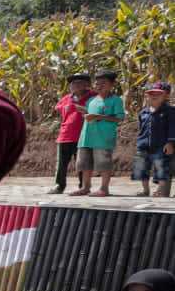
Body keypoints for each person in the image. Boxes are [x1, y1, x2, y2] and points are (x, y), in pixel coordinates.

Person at [73, 69, 125, 198]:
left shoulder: (116, 100)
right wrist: (84, 111)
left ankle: (104, 188)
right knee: (85, 163)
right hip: (86, 137)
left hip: (103, 138)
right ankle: (85, 187)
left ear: (112, 84)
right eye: (97, 83)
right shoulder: (91, 100)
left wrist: (97, 116)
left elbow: (119, 118)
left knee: (103, 163)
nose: (99, 86)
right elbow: (90, 114)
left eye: (103, 83)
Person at [50, 73, 94, 194]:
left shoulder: (93, 97)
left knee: (81, 163)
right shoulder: (66, 98)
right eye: (72, 83)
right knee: (61, 164)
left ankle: (82, 186)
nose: (74, 85)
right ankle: (59, 186)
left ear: (87, 85)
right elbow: (57, 109)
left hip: (84, 136)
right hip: (64, 136)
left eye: (78, 82)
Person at [133, 81, 172, 198]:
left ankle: (160, 189)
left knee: (160, 167)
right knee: (142, 168)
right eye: (151, 94)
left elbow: (172, 128)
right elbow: (141, 128)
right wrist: (139, 142)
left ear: (165, 96)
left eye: (158, 94)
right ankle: (145, 190)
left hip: (160, 145)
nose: (154, 96)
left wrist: (170, 142)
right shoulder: (143, 112)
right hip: (143, 144)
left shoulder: (169, 112)